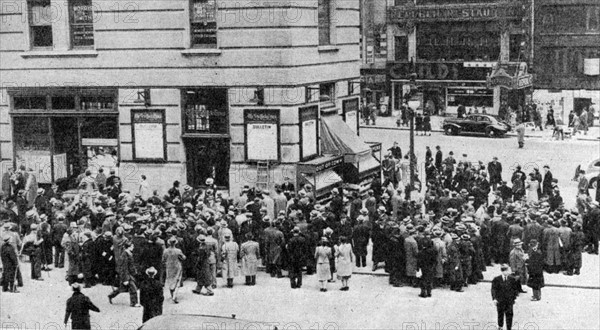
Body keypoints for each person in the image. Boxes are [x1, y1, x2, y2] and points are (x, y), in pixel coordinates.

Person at [108, 240, 140, 307]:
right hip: (127, 275)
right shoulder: (125, 255)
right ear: (129, 247)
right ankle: (134, 303)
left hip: (129, 274)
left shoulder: (128, 253)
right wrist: (126, 279)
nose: (133, 247)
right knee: (133, 288)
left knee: (121, 288)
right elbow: (124, 268)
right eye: (132, 246)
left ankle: (111, 295)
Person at [491, 264, 520, 330]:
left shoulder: (512, 279)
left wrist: (514, 298)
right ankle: (500, 326)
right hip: (500, 300)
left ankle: (509, 328)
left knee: (509, 314)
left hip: (509, 300)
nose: (508, 272)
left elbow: (515, 289)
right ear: (503, 271)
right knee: (500, 314)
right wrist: (494, 298)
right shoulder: (496, 279)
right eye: (507, 270)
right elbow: (493, 289)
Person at [162, 237, 186, 303]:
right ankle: (174, 295)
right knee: (177, 279)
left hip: (169, 266)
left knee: (170, 279)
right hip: (177, 266)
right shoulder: (178, 251)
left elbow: (163, 259)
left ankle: (172, 293)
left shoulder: (165, 251)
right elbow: (183, 257)